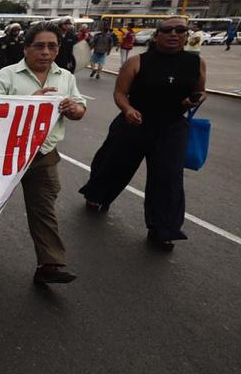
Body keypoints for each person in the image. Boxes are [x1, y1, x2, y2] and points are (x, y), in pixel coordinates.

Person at [79, 17, 206, 249]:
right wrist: (128, 109)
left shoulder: (196, 63)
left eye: (180, 30)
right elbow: (120, 93)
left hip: (172, 127)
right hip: (135, 123)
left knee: (168, 178)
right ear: (157, 35)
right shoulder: (138, 61)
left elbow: (200, 91)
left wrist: (194, 100)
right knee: (114, 164)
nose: (174, 34)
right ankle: (97, 195)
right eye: (167, 30)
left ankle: (163, 228)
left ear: (186, 35)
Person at [0, 21, 86, 284]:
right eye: (39, 46)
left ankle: (49, 264)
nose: (45, 52)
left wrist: (74, 109)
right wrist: (29, 103)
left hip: (44, 155)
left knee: (43, 208)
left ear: (58, 50)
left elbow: (80, 109)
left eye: (52, 46)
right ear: (26, 49)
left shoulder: (66, 78)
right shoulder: (7, 76)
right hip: (6, 155)